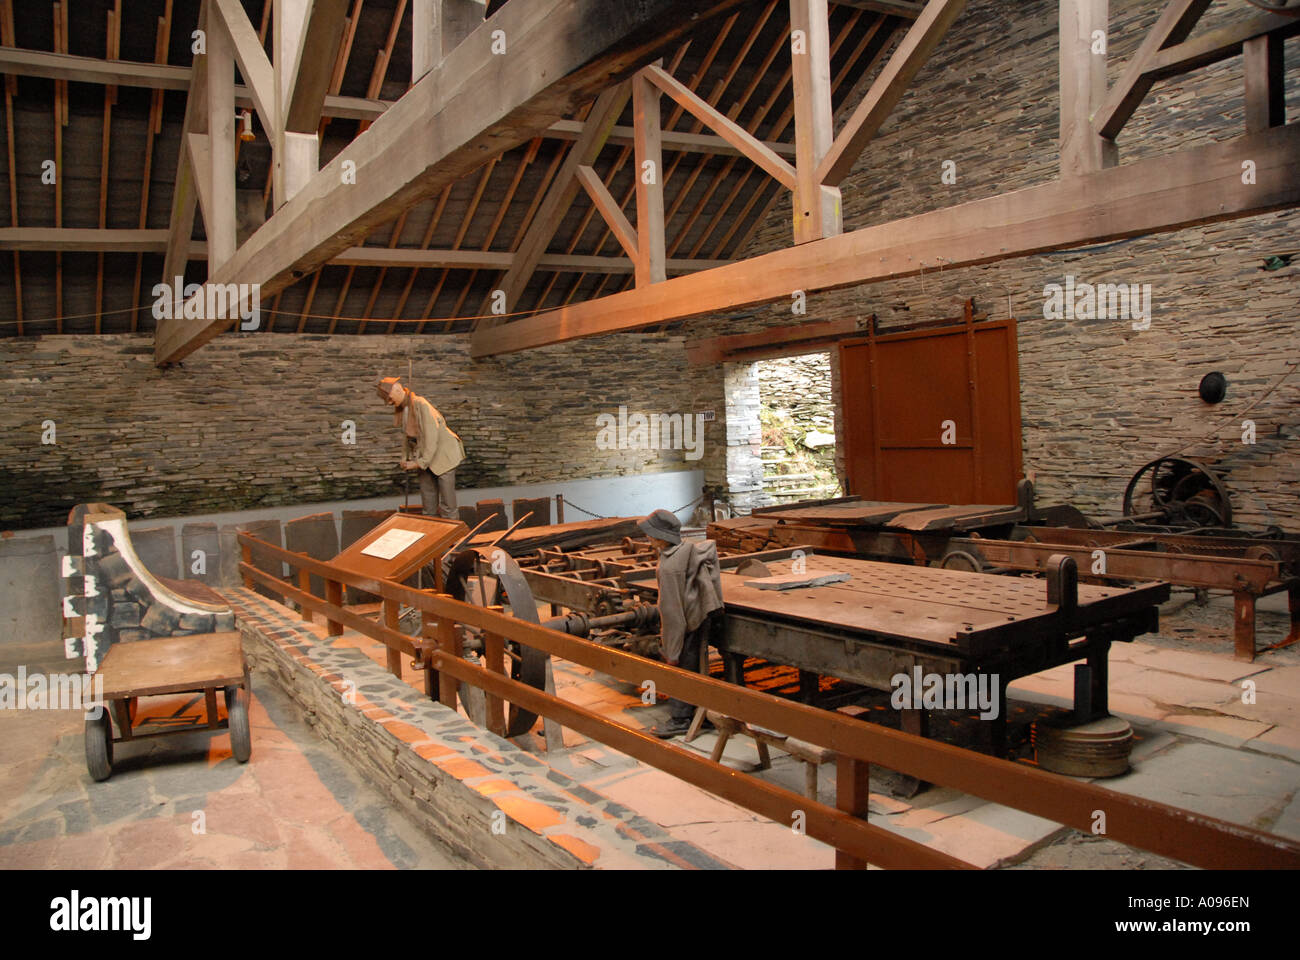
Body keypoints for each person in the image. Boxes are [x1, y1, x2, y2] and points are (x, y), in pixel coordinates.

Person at [639, 508, 725, 739]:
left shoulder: (669, 567)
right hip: (699, 615)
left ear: (660, 537)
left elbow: (672, 611)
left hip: (686, 622)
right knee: (696, 665)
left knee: (681, 669)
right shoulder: (687, 549)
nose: (647, 538)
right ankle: (700, 712)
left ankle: (681, 718)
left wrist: (671, 649)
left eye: (650, 534)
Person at [376, 376, 465, 519]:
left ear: (397, 389)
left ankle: (453, 539)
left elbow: (431, 437)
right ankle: (432, 537)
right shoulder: (403, 410)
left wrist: (419, 463)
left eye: (390, 398)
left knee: (448, 506)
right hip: (425, 457)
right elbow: (407, 437)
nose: (389, 402)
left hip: (443, 455)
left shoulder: (421, 404)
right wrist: (405, 458)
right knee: (428, 505)